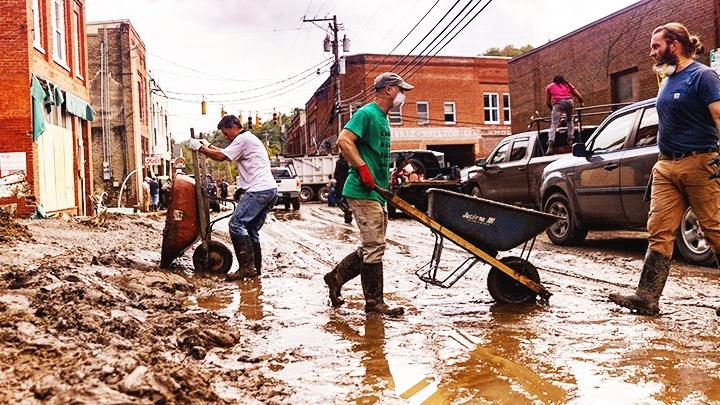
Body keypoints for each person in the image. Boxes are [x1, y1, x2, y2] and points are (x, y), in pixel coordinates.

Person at [609, 22, 720, 316]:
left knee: (714, 229)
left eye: (655, 46)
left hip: (700, 163)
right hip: (666, 165)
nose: (651, 53)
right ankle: (647, 297)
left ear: (674, 44)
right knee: (659, 231)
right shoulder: (667, 78)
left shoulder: (703, 76)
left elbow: (719, 115)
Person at [324, 72, 414, 316]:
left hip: (377, 193)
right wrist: (362, 167)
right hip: (362, 190)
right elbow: (344, 140)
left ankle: (335, 278)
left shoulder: (383, 118)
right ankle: (375, 303)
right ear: (388, 90)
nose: (403, 95)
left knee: (370, 247)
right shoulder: (366, 113)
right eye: (400, 89)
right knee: (375, 245)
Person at [188, 115, 278, 280]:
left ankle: (246, 268)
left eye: (226, 132)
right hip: (269, 189)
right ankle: (254, 268)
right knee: (250, 229)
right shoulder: (246, 139)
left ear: (234, 126)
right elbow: (224, 153)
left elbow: (221, 157)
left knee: (236, 224)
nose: (225, 136)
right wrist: (207, 145)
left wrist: (199, 148)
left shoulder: (243, 139)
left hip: (259, 189)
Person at [545, 75, 584, 154]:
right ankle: (570, 137)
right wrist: (581, 102)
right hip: (569, 102)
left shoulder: (549, 87)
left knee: (554, 124)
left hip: (558, 103)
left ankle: (550, 142)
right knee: (569, 120)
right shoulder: (568, 84)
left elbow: (548, 102)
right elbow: (579, 96)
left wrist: (552, 109)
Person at [333, 154, 353, 224]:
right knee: (346, 200)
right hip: (347, 183)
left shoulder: (338, 162)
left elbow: (336, 173)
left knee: (339, 201)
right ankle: (347, 216)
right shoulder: (348, 162)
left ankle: (347, 210)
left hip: (340, 183)